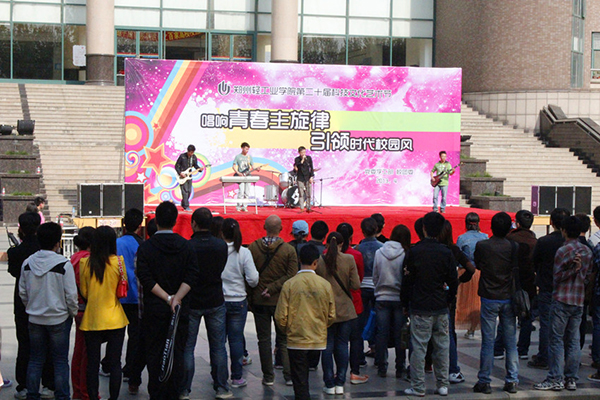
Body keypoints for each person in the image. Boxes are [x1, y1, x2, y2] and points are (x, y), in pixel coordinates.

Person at [136, 201, 199, 400]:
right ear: (175, 220)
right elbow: (192, 275)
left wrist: (167, 297)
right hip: (179, 310)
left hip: (154, 310)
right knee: (177, 352)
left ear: (156, 219)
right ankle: (175, 392)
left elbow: (145, 278)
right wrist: (177, 298)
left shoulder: (146, 247)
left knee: (154, 352)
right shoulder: (186, 246)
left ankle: (156, 392)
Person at [19, 222, 79, 400]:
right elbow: (71, 295)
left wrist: (32, 307)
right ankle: (62, 396)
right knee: (60, 361)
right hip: (58, 318)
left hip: (35, 318)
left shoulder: (28, 263)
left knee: (35, 359)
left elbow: (22, 292)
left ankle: (32, 394)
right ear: (58, 242)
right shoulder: (64, 264)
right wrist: (72, 312)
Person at [401, 212, 458, 397]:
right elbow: (453, 280)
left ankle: (418, 386)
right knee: (442, 347)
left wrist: (405, 303)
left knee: (419, 347)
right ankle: (442, 384)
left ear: (423, 228)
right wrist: (448, 299)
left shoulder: (414, 251)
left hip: (420, 305)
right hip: (440, 305)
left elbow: (407, 281)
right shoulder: (446, 252)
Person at [534, 216, 592, 391]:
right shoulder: (587, 251)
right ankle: (571, 378)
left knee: (556, 340)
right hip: (578, 299)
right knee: (573, 340)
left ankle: (555, 377)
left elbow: (557, 277)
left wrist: (572, 270)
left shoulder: (563, 251)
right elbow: (588, 277)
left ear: (564, 230)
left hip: (561, 298)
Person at [181, 208, 231, 400]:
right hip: (215, 299)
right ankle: (221, 387)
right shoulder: (220, 245)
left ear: (193, 223)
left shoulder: (187, 246)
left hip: (192, 300)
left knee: (188, 347)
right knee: (218, 346)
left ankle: (184, 389)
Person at [275, 244, 336, 400]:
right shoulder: (325, 285)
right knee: (309, 370)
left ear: (299, 260)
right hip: (317, 338)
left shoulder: (289, 284)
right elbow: (331, 315)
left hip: (296, 338)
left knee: (299, 377)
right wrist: (322, 327)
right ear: (316, 262)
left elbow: (280, 316)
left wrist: (288, 329)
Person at [8, 212, 55, 400]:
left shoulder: (15, 252)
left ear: (20, 228)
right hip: (45, 299)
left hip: (22, 302)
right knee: (47, 345)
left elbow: (13, 272)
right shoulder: (45, 249)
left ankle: (24, 385)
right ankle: (49, 384)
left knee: (25, 344)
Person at [472, 212, 520, 394]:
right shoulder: (513, 246)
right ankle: (512, 379)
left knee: (488, 341)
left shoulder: (483, 245)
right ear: (508, 229)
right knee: (510, 341)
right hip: (508, 295)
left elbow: (478, 264)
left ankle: (484, 380)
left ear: (491, 227)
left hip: (489, 295)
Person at [79, 226, 129, 400]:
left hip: (92, 318)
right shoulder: (119, 262)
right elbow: (122, 289)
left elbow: (84, 292)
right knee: (115, 363)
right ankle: (113, 398)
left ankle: (93, 396)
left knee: (92, 363)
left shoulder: (85, 263)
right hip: (115, 318)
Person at [247, 215, 297, 386]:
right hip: (280, 301)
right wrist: (274, 288)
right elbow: (291, 275)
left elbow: (248, 275)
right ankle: (289, 376)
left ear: (264, 227)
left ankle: (268, 376)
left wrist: (253, 296)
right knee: (283, 339)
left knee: (264, 340)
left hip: (259, 300)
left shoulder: (253, 248)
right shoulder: (288, 250)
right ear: (281, 228)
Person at [316, 232, 361, 395]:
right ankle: (340, 382)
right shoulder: (349, 259)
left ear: (326, 243)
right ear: (342, 244)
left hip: (325, 309)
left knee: (327, 346)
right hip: (345, 309)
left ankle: (329, 383)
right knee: (342, 345)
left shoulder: (320, 261)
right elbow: (355, 285)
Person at [528, 208, 570, 370]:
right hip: (566, 288)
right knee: (567, 325)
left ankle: (544, 356)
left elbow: (534, 261)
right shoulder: (572, 243)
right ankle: (567, 357)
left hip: (547, 285)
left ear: (551, 222)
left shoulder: (544, 241)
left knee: (546, 323)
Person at [494, 210, 538, 360]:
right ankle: (523, 350)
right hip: (529, 284)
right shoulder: (535, 241)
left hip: (510, 283)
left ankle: (499, 348)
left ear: (517, 223)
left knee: (506, 317)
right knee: (527, 318)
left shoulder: (509, 239)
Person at [221, 218, 259, 388]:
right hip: (238, 300)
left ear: (222, 233)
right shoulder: (243, 252)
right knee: (236, 340)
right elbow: (253, 279)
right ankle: (237, 377)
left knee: (219, 342)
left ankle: (219, 377)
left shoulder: (218, 250)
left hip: (220, 300)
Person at [438, 220, 476, 385]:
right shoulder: (453, 250)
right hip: (448, 296)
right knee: (449, 331)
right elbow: (471, 268)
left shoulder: (433, 249)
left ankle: (423, 366)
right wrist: (459, 281)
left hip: (431, 295)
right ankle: (453, 369)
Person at [373, 224, 410, 378]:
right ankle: (400, 367)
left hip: (382, 296)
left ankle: (381, 366)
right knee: (400, 334)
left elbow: (375, 275)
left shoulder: (379, 252)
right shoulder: (405, 253)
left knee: (381, 333)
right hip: (399, 297)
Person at [116, 208, 144, 395]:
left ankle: (111, 365)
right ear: (140, 225)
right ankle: (130, 370)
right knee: (135, 336)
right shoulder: (142, 244)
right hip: (136, 297)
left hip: (118, 296)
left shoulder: (116, 243)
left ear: (124, 224)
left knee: (117, 336)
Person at [336, 223, 367, 384]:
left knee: (336, 339)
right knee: (355, 338)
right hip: (353, 301)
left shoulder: (327, 255)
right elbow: (359, 279)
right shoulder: (356, 255)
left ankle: (337, 372)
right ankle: (354, 372)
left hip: (335, 301)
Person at [70, 226, 95, 400]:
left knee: (78, 350)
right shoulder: (89, 260)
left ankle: (77, 390)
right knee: (88, 353)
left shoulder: (73, 258)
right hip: (88, 309)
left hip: (76, 308)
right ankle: (86, 391)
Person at [456, 212, 488, 339]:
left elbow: (458, 256)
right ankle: (473, 329)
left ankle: (464, 326)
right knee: (477, 303)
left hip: (465, 272)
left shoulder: (462, 238)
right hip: (480, 272)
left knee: (463, 302)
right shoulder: (485, 237)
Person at [356, 218, 383, 360]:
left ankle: (359, 355)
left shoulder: (358, 248)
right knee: (378, 321)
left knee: (360, 321)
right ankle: (377, 351)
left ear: (362, 231)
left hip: (362, 287)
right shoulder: (382, 248)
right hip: (377, 287)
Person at [232, 142, 262, 212]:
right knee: (241, 192)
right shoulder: (238, 156)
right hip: (241, 176)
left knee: (247, 192)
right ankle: (238, 206)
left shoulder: (249, 157)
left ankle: (244, 206)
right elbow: (233, 166)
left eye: (248, 149)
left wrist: (256, 169)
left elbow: (253, 166)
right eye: (246, 149)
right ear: (242, 148)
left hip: (248, 176)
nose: (247, 150)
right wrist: (238, 173)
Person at [175, 144, 203, 212]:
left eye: (192, 152)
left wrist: (199, 169)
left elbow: (195, 165)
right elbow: (176, 166)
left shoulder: (194, 157)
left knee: (189, 191)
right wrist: (180, 173)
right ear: (188, 151)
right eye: (190, 152)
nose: (191, 154)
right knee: (185, 191)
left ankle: (183, 203)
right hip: (182, 176)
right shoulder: (182, 156)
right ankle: (186, 206)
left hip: (189, 176)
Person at [293, 146, 314, 212]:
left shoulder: (309, 158)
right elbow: (297, 166)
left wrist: (311, 177)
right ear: (299, 152)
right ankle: (302, 208)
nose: (303, 153)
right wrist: (302, 160)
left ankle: (308, 207)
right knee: (301, 194)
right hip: (300, 178)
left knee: (308, 193)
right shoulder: (297, 159)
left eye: (304, 152)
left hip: (307, 177)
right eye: (302, 152)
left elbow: (311, 168)